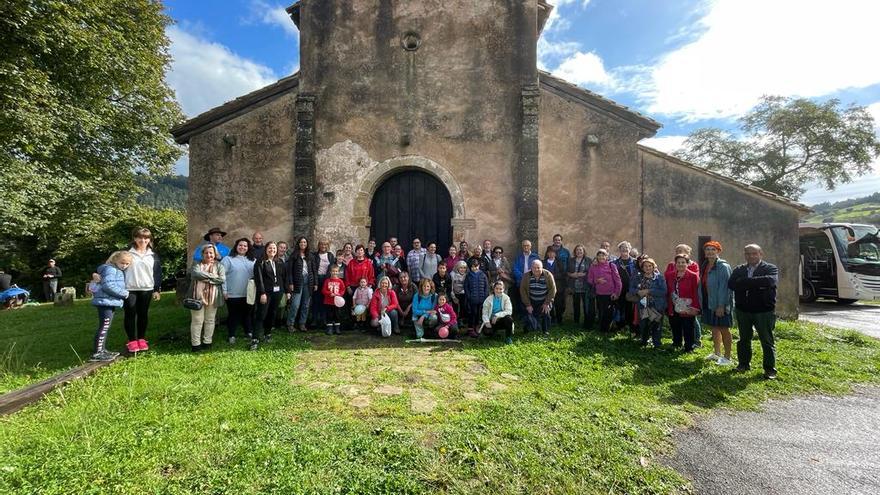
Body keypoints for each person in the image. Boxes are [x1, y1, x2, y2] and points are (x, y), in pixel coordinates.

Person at [729, 244, 779, 379]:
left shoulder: (770, 268)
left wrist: (744, 282)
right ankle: (743, 364)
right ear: (745, 255)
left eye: (754, 253)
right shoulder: (739, 269)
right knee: (744, 339)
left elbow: (770, 281)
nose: (751, 256)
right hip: (743, 310)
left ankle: (770, 369)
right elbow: (732, 284)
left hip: (763, 311)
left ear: (760, 254)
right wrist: (757, 284)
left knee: (766, 340)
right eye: (748, 254)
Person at [123, 227, 163, 353]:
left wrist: (157, 289)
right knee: (130, 314)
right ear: (134, 238)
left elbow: (157, 273)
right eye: (140, 237)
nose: (143, 240)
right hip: (130, 289)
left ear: (149, 239)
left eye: (146, 238)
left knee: (143, 315)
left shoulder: (153, 255)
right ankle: (132, 341)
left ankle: (141, 339)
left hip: (147, 288)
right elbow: (114, 265)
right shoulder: (127, 253)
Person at [89, 251, 131, 361]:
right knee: (104, 326)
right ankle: (97, 353)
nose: (124, 265)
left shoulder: (116, 269)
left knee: (105, 326)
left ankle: (102, 349)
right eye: (123, 263)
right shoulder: (111, 269)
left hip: (109, 301)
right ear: (115, 260)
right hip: (105, 301)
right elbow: (108, 285)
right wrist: (124, 293)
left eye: (127, 264)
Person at [701, 241, 734, 365]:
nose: (710, 252)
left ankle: (727, 357)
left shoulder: (722, 266)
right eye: (707, 249)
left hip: (720, 304)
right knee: (714, 328)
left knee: (724, 329)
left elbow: (725, 288)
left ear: (718, 251)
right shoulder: (705, 265)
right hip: (710, 302)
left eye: (713, 249)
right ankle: (717, 353)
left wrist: (721, 305)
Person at [189, 244, 226, 352]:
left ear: (215, 254)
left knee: (210, 320)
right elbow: (195, 274)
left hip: (213, 297)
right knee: (197, 320)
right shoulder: (196, 264)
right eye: (206, 253)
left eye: (211, 253)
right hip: (197, 297)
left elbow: (222, 279)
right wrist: (213, 277)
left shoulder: (219, 266)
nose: (209, 255)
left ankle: (207, 342)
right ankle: (195, 344)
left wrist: (205, 278)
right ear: (202, 254)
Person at [251, 242, 286, 351]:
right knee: (261, 314)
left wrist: (285, 291)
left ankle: (267, 334)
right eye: (270, 248)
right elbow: (259, 279)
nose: (272, 250)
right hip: (265, 293)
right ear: (266, 249)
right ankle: (255, 338)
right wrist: (262, 293)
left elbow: (282, 277)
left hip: (277, 292)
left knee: (272, 313)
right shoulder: (260, 262)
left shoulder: (279, 262)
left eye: (274, 248)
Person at [221, 238, 255, 344]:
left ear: (248, 248)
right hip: (232, 294)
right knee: (233, 315)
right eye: (240, 245)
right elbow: (222, 276)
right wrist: (224, 291)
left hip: (248, 293)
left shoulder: (253, 260)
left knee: (247, 314)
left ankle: (248, 332)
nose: (242, 247)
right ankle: (232, 335)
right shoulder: (228, 259)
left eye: (245, 246)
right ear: (236, 246)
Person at [665, 254, 701, 352]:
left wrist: (695, 308)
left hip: (688, 306)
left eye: (683, 262)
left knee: (688, 326)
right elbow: (667, 290)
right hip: (673, 305)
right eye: (678, 262)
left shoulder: (693, 276)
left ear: (687, 263)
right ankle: (676, 343)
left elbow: (696, 293)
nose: (680, 264)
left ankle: (689, 347)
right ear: (675, 264)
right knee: (675, 325)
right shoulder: (669, 275)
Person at [628, 258, 667, 348]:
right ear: (642, 267)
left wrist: (648, 291)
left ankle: (657, 343)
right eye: (645, 266)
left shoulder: (659, 278)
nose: (648, 268)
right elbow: (631, 289)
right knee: (644, 324)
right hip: (643, 306)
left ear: (653, 267)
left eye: (650, 266)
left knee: (656, 325)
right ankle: (644, 341)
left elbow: (663, 291)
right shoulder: (637, 278)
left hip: (657, 305)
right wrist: (637, 291)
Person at [588, 249, 622, 333]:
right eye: (599, 255)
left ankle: (606, 330)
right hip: (599, 294)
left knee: (609, 313)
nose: (601, 257)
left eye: (603, 255)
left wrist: (616, 293)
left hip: (610, 294)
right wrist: (597, 281)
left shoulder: (612, 265)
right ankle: (602, 329)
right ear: (597, 257)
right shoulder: (593, 266)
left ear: (607, 256)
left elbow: (618, 281)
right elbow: (589, 280)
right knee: (601, 312)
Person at [520, 259, 557, 335]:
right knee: (526, 312)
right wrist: (528, 305)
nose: (536, 269)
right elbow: (522, 290)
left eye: (538, 267)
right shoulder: (526, 275)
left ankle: (545, 330)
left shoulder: (548, 275)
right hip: (531, 300)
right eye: (534, 267)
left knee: (546, 312)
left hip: (544, 300)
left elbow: (553, 290)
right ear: (531, 268)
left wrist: (547, 303)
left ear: (542, 267)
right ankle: (527, 329)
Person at [286, 237, 314, 332]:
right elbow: (289, 271)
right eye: (301, 242)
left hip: (308, 282)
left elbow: (313, 270)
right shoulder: (294, 255)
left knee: (306, 305)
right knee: (295, 304)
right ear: (298, 244)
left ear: (307, 244)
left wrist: (316, 283)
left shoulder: (310, 256)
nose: (303, 243)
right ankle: (290, 324)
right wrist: (290, 282)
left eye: (305, 242)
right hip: (297, 281)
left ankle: (302, 323)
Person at [613, 241, 638, 337]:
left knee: (630, 308)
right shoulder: (615, 263)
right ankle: (620, 326)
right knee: (619, 307)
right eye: (622, 248)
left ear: (629, 249)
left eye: (626, 247)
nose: (624, 249)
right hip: (619, 289)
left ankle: (631, 326)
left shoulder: (635, 262)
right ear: (619, 250)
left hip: (631, 289)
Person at [311, 239, 336, 330]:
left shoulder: (330, 255)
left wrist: (329, 280)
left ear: (327, 246)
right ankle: (314, 320)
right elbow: (313, 268)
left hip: (327, 280)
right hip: (317, 279)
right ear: (319, 245)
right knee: (316, 300)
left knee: (325, 301)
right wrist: (315, 281)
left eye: (325, 244)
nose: (323, 246)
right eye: (321, 244)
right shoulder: (315, 255)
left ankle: (324, 319)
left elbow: (333, 268)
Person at [567, 244, 594, 329]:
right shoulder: (571, 260)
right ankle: (576, 322)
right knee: (576, 305)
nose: (579, 251)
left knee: (586, 305)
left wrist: (584, 274)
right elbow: (566, 271)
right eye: (577, 250)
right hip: (574, 287)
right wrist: (571, 275)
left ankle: (586, 323)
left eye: (581, 250)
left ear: (583, 251)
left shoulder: (588, 260)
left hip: (585, 287)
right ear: (575, 251)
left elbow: (592, 272)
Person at [511, 240, 539, 315]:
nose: (526, 247)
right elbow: (515, 269)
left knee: (532, 297)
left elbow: (539, 268)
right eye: (524, 245)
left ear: (530, 247)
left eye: (527, 245)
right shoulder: (518, 257)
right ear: (522, 247)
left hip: (532, 280)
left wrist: (530, 275)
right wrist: (523, 276)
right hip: (521, 281)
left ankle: (532, 315)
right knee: (522, 298)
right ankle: (523, 316)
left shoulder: (535, 257)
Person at [464, 258, 490, 335]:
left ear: (478, 266)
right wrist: (469, 296)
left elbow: (486, 286)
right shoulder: (468, 276)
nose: (474, 268)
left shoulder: (483, 275)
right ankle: (470, 329)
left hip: (482, 299)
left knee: (479, 314)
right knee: (473, 313)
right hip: (473, 300)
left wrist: (485, 296)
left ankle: (477, 327)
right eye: (472, 267)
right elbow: (466, 287)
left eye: (476, 266)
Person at [543, 247, 566, 324]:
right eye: (549, 252)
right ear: (547, 254)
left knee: (559, 304)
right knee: (549, 303)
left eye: (553, 252)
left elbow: (563, 274)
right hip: (547, 287)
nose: (551, 254)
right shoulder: (543, 263)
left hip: (558, 286)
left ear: (555, 254)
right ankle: (551, 319)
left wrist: (552, 276)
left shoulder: (559, 263)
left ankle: (559, 319)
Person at [321, 265, 345, 335]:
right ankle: (330, 329)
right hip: (328, 302)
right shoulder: (327, 281)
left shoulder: (340, 281)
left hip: (337, 302)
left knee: (337, 315)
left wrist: (339, 294)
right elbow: (323, 290)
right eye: (333, 271)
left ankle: (337, 328)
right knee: (329, 315)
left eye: (336, 271)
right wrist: (329, 293)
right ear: (330, 272)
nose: (335, 273)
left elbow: (343, 290)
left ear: (338, 272)